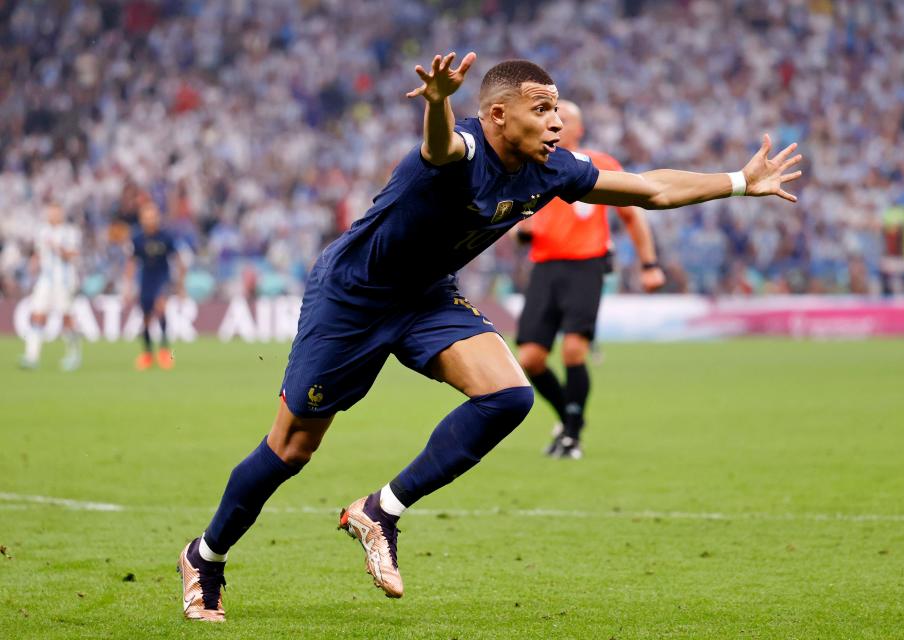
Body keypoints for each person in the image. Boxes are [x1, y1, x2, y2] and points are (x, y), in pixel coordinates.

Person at [177, 52, 802, 621]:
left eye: (557, 106)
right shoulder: (464, 150)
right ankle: (205, 558)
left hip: (425, 298)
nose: (556, 121)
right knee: (291, 450)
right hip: (352, 300)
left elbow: (653, 188)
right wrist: (440, 101)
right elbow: (442, 147)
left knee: (509, 395)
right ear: (499, 116)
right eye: (542, 108)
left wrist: (740, 182)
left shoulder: (553, 168)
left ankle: (379, 511)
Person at [514, 100, 666, 459]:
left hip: (586, 265)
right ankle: (570, 418)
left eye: (563, 119)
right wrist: (521, 230)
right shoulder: (530, 165)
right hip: (545, 267)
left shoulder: (601, 164)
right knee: (531, 359)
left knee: (573, 350)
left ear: (580, 130)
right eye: (548, 117)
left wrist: (649, 263)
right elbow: (519, 224)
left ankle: (571, 434)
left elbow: (633, 215)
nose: (555, 124)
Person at [19, 203, 83, 371]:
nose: (53, 216)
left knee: (66, 318)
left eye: (56, 213)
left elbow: (73, 254)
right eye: (50, 213)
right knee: (37, 314)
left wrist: (58, 248)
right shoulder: (42, 231)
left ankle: (73, 354)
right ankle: (31, 356)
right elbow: (39, 253)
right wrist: (34, 263)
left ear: (61, 214)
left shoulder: (70, 232)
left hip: (64, 281)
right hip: (45, 280)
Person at [124, 201, 184, 370]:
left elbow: (178, 259)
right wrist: (127, 286)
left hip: (162, 277)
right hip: (146, 279)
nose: (150, 220)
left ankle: (165, 351)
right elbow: (131, 263)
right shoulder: (137, 238)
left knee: (161, 307)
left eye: (152, 217)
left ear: (157, 218)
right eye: (146, 217)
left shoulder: (166, 237)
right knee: (146, 318)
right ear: (142, 219)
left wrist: (180, 285)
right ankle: (148, 354)